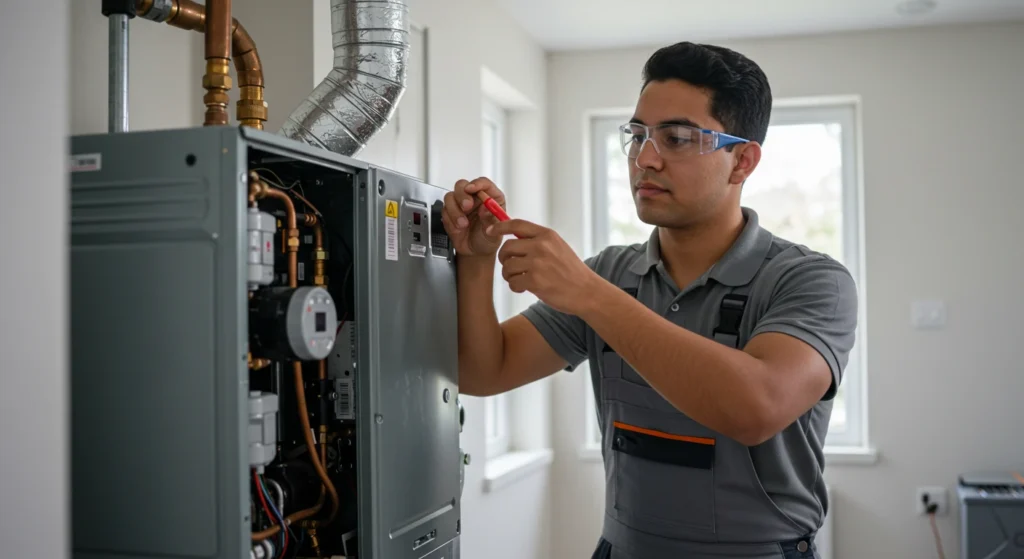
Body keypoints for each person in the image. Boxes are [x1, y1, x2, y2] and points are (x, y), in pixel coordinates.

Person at [440, 41, 858, 559]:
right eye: (637, 135)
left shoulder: (812, 281)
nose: (645, 158)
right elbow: (486, 371)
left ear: (742, 161)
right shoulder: (609, 274)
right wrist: (477, 260)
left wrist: (592, 296)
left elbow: (756, 407)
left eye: (677, 138)